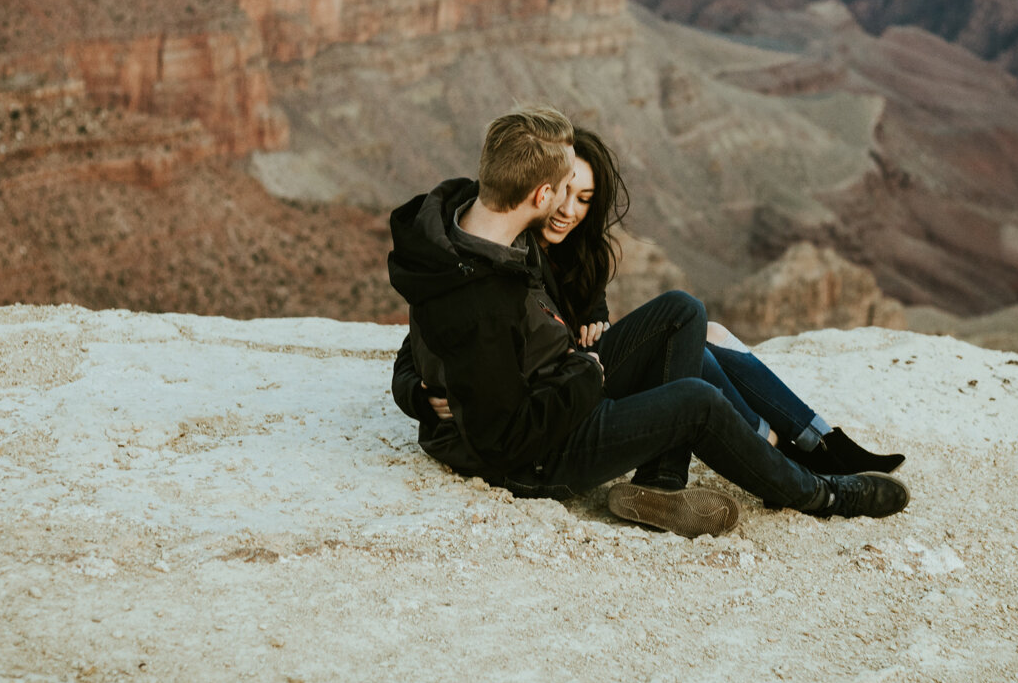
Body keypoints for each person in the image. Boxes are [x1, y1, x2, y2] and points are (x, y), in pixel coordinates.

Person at [387, 104, 908, 537]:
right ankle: (822, 495)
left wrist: (579, 353)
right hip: (536, 456)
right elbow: (505, 440)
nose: (572, 201)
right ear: (541, 196)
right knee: (698, 401)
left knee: (682, 312)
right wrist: (586, 373)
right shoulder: (480, 302)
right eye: (565, 186)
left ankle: (660, 484)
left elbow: (433, 338)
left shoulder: (470, 220)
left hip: (555, 385)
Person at [537, 128, 905, 488]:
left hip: (589, 370)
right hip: (573, 388)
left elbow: (588, 293)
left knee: (711, 333)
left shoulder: (575, 248)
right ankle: (793, 451)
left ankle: (819, 441)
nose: (569, 209)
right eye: (565, 192)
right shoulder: (522, 247)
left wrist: (595, 314)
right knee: (685, 327)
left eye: (584, 198)